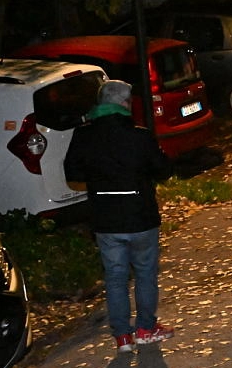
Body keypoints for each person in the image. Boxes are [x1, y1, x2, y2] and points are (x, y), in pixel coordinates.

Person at [64, 80, 175, 353]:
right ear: (125, 103)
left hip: (106, 219)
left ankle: (122, 337)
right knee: (146, 274)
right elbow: (162, 170)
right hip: (140, 217)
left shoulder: (83, 135)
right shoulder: (139, 135)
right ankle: (146, 328)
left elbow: (73, 174)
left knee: (115, 278)